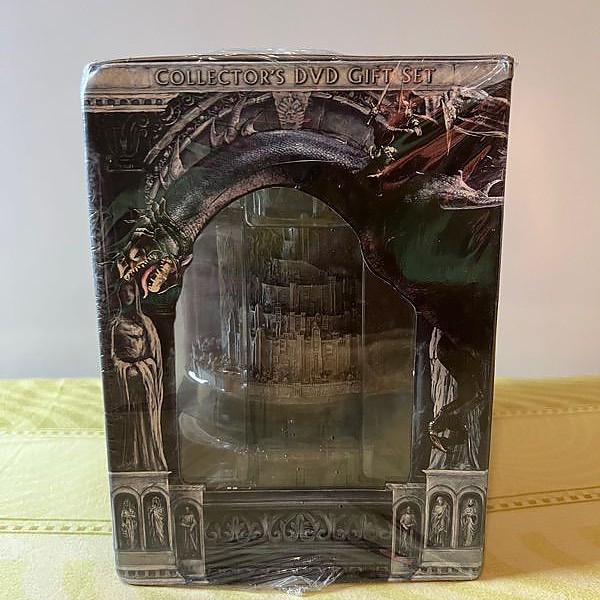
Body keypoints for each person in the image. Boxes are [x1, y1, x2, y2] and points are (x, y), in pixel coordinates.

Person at [111, 280, 167, 471]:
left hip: (145, 380)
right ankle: (131, 461)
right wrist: (125, 369)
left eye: (131, 291)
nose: (127, 295)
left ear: (136, 294)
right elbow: (112, 357)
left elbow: (155, 356)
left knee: (145, 421)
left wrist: (142, 368)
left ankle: (149, 460)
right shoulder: (114, 325)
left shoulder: (146, 323)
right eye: (123, 291)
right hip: (126, 384)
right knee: (130, 421)